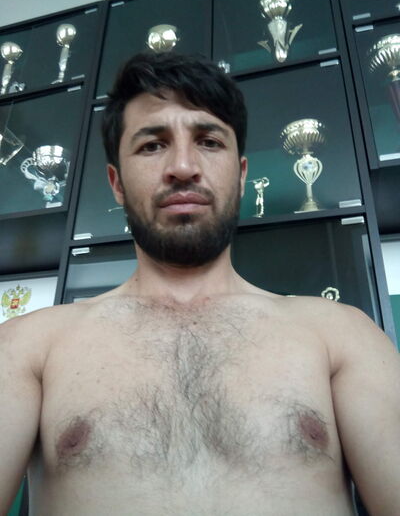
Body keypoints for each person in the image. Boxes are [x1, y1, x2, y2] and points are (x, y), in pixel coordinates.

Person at [0, 52, 399, 516]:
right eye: (153, 145)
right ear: (117, 183)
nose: (183, 166)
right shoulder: (29, 347)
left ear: (242, 175)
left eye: (208, 141)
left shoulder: (341, 336)